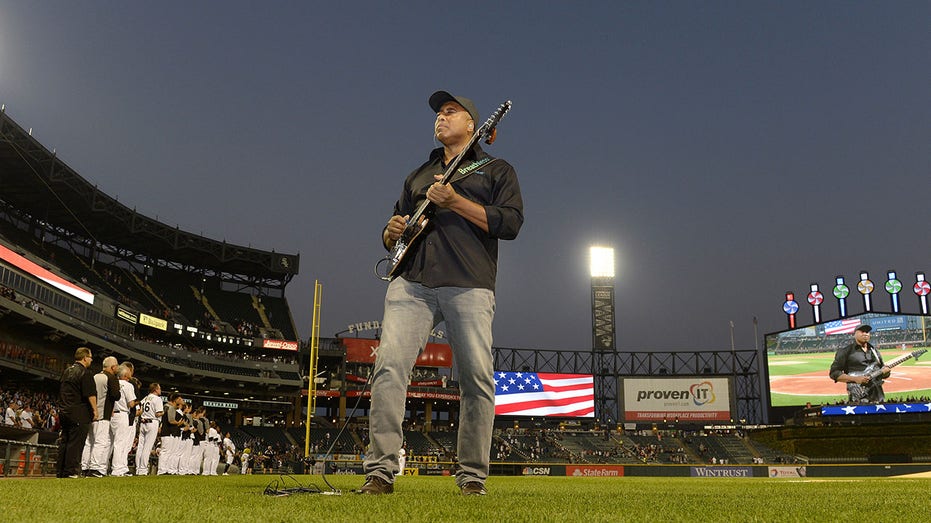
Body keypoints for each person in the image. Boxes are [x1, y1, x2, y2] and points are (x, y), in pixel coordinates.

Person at [361, 91, 523, 496]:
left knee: (476, 380)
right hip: (411, 283)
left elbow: (511, 223)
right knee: (389, 369)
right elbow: (393, 228)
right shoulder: (419, 173)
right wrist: (390, 231)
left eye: (451, 111)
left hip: (468, 284)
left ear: (473, 125)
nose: (441, 117)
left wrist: (456, 201)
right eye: (438, 113)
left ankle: (472, 478)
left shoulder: (496, 169)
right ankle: (380, 472)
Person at [56, 347, 97, 478]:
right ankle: (71, 471)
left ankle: (60, 471)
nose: (91, 360)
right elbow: (90, 394)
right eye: (90, 357)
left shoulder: (67, 371)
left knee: (65, 441)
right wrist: (95, 410)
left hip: (64, 410)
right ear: (85, 358)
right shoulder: (85, 373)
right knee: (76, 443)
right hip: (79, 412)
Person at [829, 324, 891, 403]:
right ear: (855, 334)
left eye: (867, 332)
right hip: (858, 396)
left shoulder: (874, 351)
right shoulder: (846, 351)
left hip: (878, 396)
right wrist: (855, 379)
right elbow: (834, 373)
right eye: (862, 331)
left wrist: (886, 373)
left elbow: (882, 373)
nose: (865, 334)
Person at [82, 356, 120, 477]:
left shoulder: (95, 376)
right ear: (113, 367)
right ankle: (95, 468)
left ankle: (84, 467)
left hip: (90, 413)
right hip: (103, 414)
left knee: (89, 442)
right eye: (116, 366)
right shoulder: (111, 377)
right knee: (100, 442)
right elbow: (116, 395)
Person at [109, 364, 138, 476]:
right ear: (126, 374)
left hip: (111, 414)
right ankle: (117, 469)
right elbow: (131, 403)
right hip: (122, 414)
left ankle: (108, 467)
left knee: (109, 442)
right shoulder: (128, 385)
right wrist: (136, 402)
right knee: (120, 443)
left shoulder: (113, 382)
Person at [135, 382, 163, 476]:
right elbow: (158, 413)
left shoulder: (146, 398)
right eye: (159, 388)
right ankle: (143, 470)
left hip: (143, 422)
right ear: (155, 389)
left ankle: (138, 468)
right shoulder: (157, 399)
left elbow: (139, 407)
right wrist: (163, 412)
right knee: (147, 447)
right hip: (152, 422)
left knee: (140, 447)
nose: (160, 390)